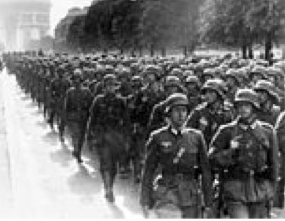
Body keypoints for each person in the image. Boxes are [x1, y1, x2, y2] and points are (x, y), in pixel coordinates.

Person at [140, 93, 213, 218]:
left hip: (190, 195)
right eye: (176, 110)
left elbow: (205, 171)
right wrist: (145, 200)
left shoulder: (196, 136)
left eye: (184, 110)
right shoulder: (157, 137)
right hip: (166, 192)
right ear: (169, 113)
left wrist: (208, 202)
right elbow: (148, 170)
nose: (181, 114)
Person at [208, 89, 279, 218]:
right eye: (240, 106)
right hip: (235, 188)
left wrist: (271, 190)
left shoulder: (267, 131)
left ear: (254, 108)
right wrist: (231, 153)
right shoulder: (226, 131)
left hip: (260, 189)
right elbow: (212, 159)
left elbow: (274, 163)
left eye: (247, 105)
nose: (243, 109)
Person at [87, 73, 131, 202]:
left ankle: (109, 185)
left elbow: (126, 121)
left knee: (114, 167)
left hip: (116, 138)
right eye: (108, 86)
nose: (110, 88)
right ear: (104, 87)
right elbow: (92, 119)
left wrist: (127, 139)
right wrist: (89, 136)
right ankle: (108, 189)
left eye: (112, 86)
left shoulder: (121, 101)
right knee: (105, 164)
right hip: (102, 138)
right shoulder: (98, 100)